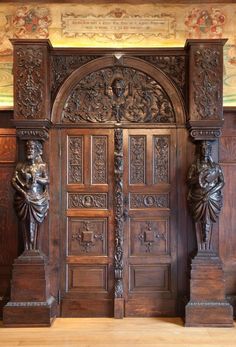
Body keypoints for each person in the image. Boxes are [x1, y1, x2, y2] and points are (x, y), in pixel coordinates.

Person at [12, 140, 49, 251]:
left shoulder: (42, 166)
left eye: (32, 148)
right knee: (25, 224)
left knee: (37, 223)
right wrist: (23, 193)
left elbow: (47, 180)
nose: (29, 151)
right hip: (24, 199)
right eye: (28, 148)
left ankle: (35, 249)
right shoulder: (20, 166)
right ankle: (27, 250)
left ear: (37, 151)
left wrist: (36, 179)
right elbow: (13, 181)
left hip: (38, 199)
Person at [187, 141, 224, 249]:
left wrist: (210, 193)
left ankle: (207, 242)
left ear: (210, 150)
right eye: (203, 149)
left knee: (208, 219)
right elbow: (188, 181)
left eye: (207, 149)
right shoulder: (194, 166)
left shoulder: (216, 167)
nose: (205, 151)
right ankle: (203, 243)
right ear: (200, 150)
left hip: (212, 196)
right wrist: (198, 177)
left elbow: (221, 182)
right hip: (198, 196)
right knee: (201, 218)